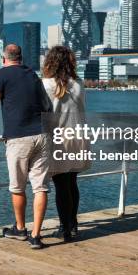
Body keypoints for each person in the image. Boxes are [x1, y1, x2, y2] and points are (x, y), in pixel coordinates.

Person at [0, 44, 52, 249]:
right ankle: (36, 236)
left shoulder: (3, 74)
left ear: (4, 59)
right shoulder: (33, 74)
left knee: (17, 187)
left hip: (19, 137)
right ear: (21, 58)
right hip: (42, 135)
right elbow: (47, 106)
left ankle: (21, 230)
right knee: (40, 187)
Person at [42, 45, 90, 242]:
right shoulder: (78, 83)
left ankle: (65, 228)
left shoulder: (45, 84)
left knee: (61, 184)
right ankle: (73, 223)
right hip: (78, 137)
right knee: (71, 182)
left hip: (59, 138)